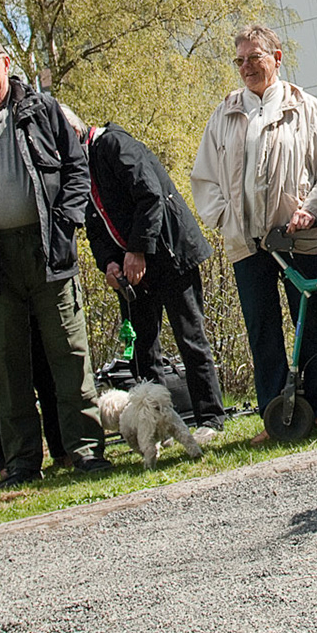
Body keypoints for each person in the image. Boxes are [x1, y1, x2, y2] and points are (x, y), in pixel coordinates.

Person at [0, 32, 110, 485]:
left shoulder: (43, 109)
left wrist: (67, 223)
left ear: (7, 64)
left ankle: (86, 450)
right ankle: (21, 462)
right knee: (8, 365)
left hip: (48, 249)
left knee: (69, 353)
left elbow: (77, 168)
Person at [191, 25, 317, 439]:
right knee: (261, 326)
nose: (247, 67)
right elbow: (204, 180)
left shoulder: (307, 108)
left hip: (298, 236)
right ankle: (272, 414)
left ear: (276, 58)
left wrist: (313, 212)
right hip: (246, 242)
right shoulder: (224, 114)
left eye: (255, 57)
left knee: (309, 319)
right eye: (240, 60)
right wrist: (227, 219)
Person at [79, 118, 228, 446]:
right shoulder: (77, 168)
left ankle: (210, 419)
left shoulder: (115, 145)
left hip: (169, 255)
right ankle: (159, 426)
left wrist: (137, 250)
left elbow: (150, 195)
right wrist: (108, 263)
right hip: (131, 269)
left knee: (190, 337)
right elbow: (92, 222)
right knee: (142, 350)